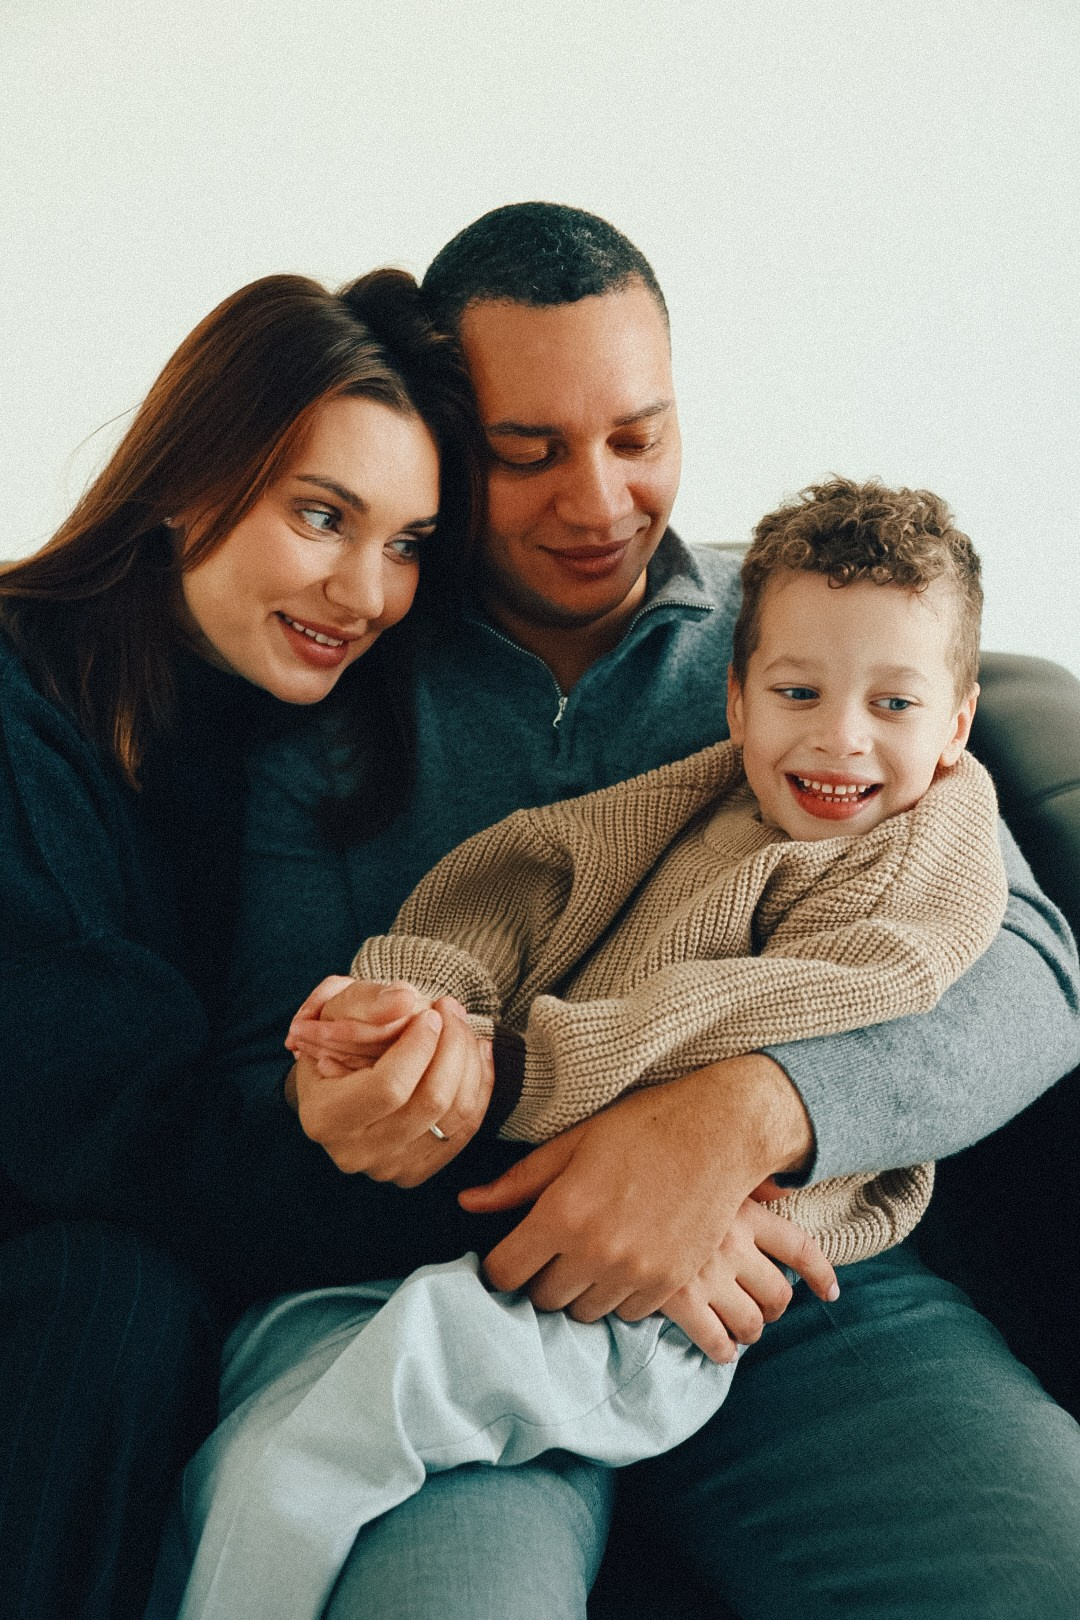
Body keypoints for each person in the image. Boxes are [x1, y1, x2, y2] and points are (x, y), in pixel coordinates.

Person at [223, 204, 1080, 1620]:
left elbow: (1031, 972)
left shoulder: (820, 632)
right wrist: (494, 1138)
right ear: (447, 432)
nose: (600, 502)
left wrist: (737, 1122)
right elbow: (260, 1079)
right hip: (458, 1287)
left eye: (639, 436)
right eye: (528, 452)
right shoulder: (334, 672)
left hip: (798, 1289)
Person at [151, 477, 1013, 1620]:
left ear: (957, 723)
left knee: (372, 1408)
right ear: (739, 703)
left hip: (715, 1283)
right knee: (337, 1422)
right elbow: (528, 880)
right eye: (799, 692)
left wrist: (517, 1068)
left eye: (895, 706)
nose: (841, 739)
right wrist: (419, 1006)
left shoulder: (921, 848)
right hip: (518, 1243)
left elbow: (797, 1006)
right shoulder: (706, 794)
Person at [0, 265, 480, 1620]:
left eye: (405, 542)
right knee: (117, 1303)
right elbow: (127, 1136)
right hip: (72, 1270)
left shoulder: (279, 736)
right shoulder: (20, 719)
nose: (367, 589)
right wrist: (545, 1185)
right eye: (322, 516)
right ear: (183, 483)